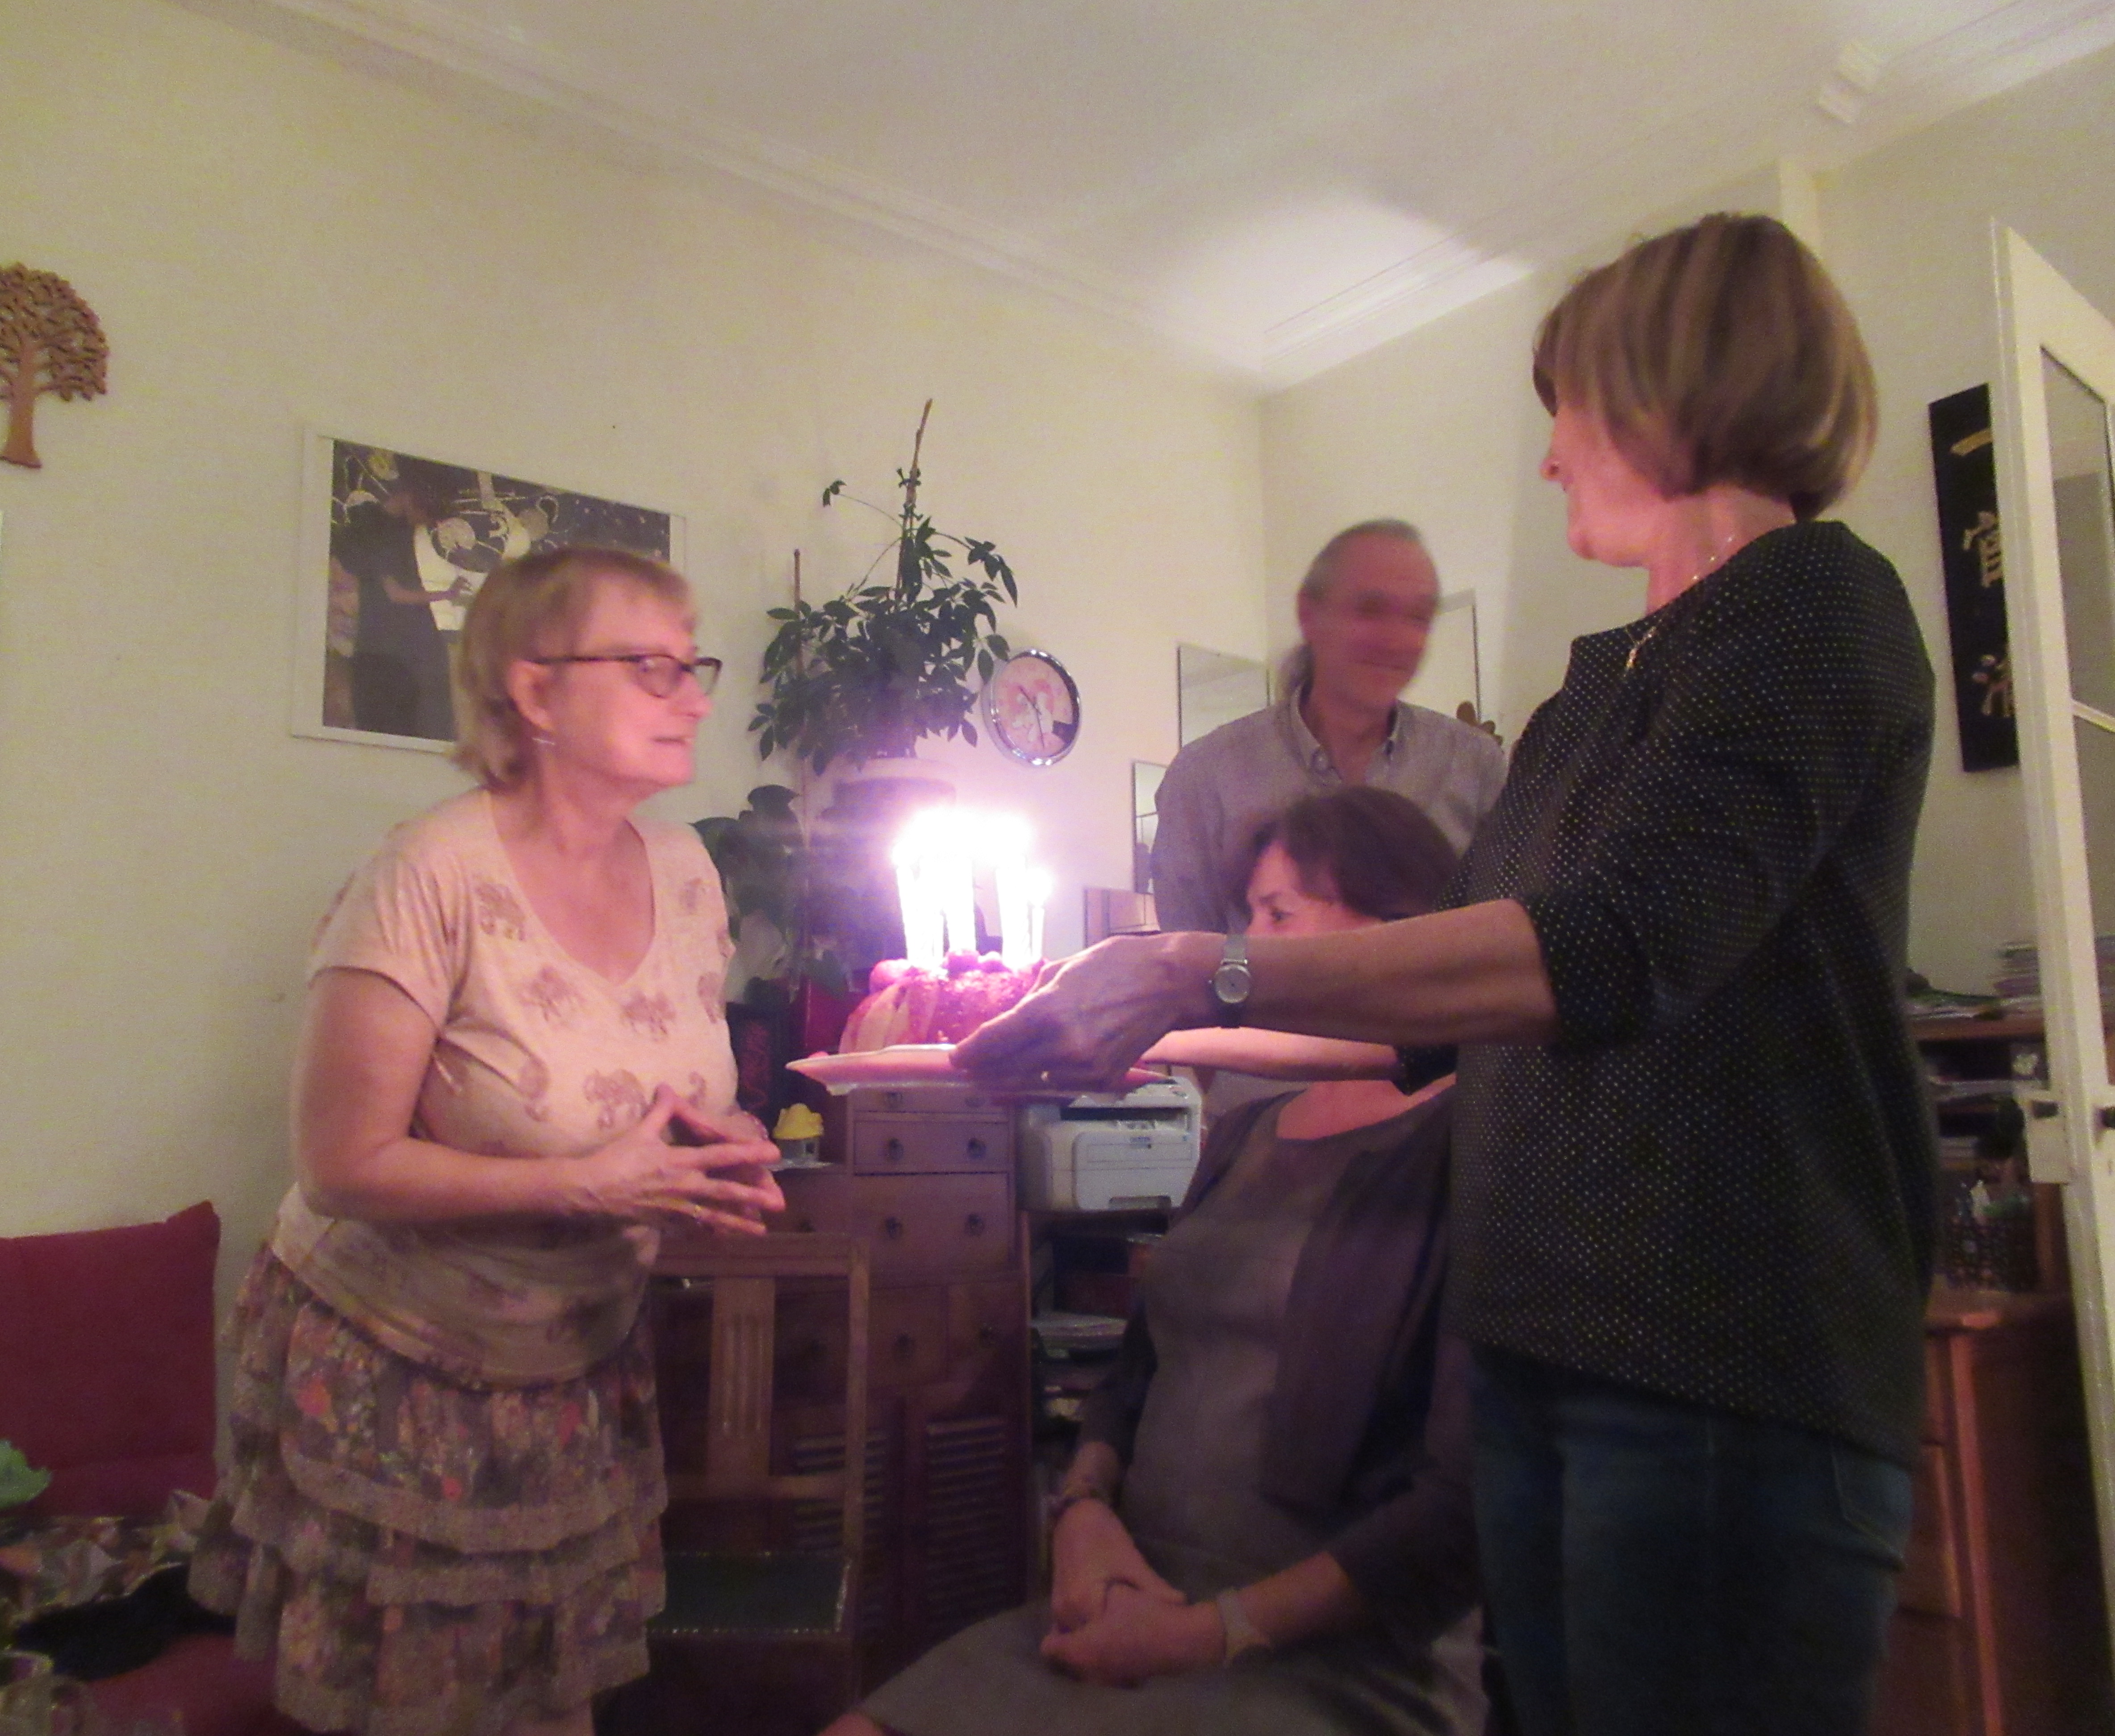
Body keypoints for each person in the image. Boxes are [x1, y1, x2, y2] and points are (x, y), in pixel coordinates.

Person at [956, 213, 1934, 1736]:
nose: (1549, 454)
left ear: (1667, 389)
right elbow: (1426, 1026)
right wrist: (1125, 1029)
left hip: (1716, 1353)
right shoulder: (1586, 701)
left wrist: (1190, 968)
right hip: (1539, 1341)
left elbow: (1608, 944)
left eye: (1570, 404)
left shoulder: (1812, 602)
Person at [190, 545, 785, 1736]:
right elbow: (341, 1164)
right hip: (403, 1364)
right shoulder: (429, 871)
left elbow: (660, 1076)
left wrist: (721, 1144)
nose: (694, 697)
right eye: (652, 666)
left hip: (579, 1366)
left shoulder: (687, 869)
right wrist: (586, 1184)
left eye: (694, 666)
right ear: (534, 689)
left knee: (549, 1704)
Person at [828, 788, 1484, 1736]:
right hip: (1127, 1602)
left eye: (1277, 914)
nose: (1245, 947)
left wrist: (1212, 1633)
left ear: (1395, 929)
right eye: (1247, 914)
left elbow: (1460, 1510)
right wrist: (1083, 1511)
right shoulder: (1246, 1134)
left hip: (1327, 1654)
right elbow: (1136, 1371)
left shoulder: (1468, 1147)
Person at [1151, 520, 1505, 936]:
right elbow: (1192, 956)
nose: (1396, 640)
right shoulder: (1204, 778)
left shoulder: (1474, 765)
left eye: (1418, 617)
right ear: (1310, 615)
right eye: (1370, 609)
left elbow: (1498, 940)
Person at [335, 454, 464, 740]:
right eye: (425, 513)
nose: (424, 523)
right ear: (412, 499)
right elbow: (396, 594)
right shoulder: (376, 529)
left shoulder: (393, 529)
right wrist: (447, 594)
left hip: (399, 639)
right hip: (388, 642)